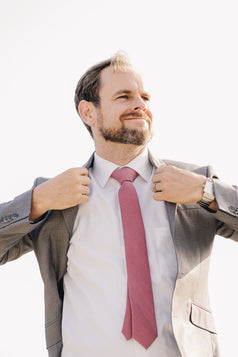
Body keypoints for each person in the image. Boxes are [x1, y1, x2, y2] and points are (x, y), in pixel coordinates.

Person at [0, 53, 238, 357]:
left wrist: (208, 192)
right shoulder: (57, 196)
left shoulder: (192, 183)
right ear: (89, 112)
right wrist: (37, 201)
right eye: (124, 96)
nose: (140, 104)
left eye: (145, 96)